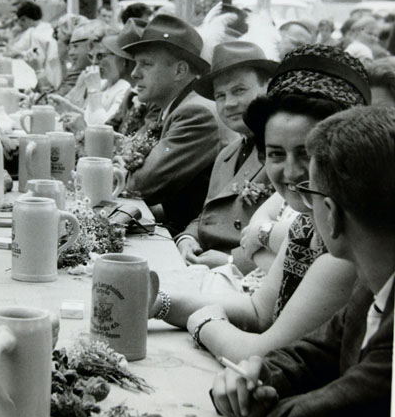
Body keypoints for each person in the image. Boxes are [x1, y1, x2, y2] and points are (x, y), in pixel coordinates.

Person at [149, 45, 368, 365]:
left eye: (306, 153)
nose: (290, 172)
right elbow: (258, 312)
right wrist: (158, 304)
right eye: (276, 154)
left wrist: (204, 322)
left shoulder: (347, 244)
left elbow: (265, 352)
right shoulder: (308, 222)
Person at [211, 105, 394, 417]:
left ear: (331, 212)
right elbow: (309, 355)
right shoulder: (370, 288)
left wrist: (261, 401)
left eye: (309, 194)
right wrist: (256, 377)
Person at [174, 41, 278, 271]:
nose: (229, 104)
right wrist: (187, 239)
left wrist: (232, 261)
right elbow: (209, 215)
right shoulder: (227, 154)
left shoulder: (281, 154)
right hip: (204, 266)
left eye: (239, 90)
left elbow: (289, 238)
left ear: (268, 88)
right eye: (220, 95)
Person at [118, 12, 220, 235]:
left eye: (146, 64)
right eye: (136, 64)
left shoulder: (194, 112)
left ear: (180, 71)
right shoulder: (178, 106)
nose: (135, 73)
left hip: (193, 241)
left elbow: (141, 186)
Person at [7, 0, 61, 89]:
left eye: (20, 21)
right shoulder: (47, 27)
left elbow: (38, 59)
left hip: (47, 76)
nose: (19, 25)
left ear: (24, 18)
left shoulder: (36, 34)